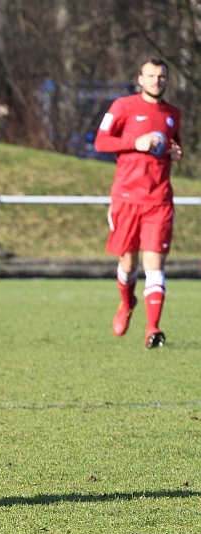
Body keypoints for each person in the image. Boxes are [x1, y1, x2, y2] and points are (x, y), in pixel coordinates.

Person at [95, 58, 182, 348]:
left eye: (161, 76)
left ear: (167, 80)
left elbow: (171, 145)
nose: (157, 80)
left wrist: (174, 151)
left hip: (159, 200)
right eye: (151, 75)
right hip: (126, 199)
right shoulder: (122, 106)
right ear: (140, 79)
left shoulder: (173, 114)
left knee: (154, 262)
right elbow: (101, 143)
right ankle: (126, 302)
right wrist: (136, 142)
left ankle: (153, 329)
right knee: (128, 262)